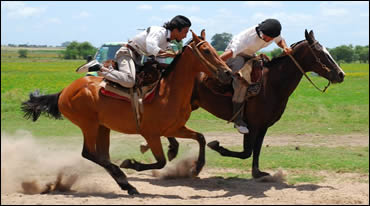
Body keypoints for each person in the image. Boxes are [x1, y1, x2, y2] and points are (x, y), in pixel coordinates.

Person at [219, 18, 292, 134]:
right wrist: (215, 62)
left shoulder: (271, 33)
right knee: (241, 82)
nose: (270, 40)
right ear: (263, 33)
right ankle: (238, 120)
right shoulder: (245, 39)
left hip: (250, 54)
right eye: (269, 38)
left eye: (272, 38)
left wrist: (285, 47)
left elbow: (279, 40)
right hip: (235, 55)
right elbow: (230, 53)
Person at [78, 15, 191, 88]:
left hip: (135, 58)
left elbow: (160, 60)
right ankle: (99, 68)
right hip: (127, 53)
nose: (185, 36)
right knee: (129, 81)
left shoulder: (167, 43)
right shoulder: (159, 31)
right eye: (185, 32)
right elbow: (152, 47)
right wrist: (170, 54)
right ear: (176, 30)